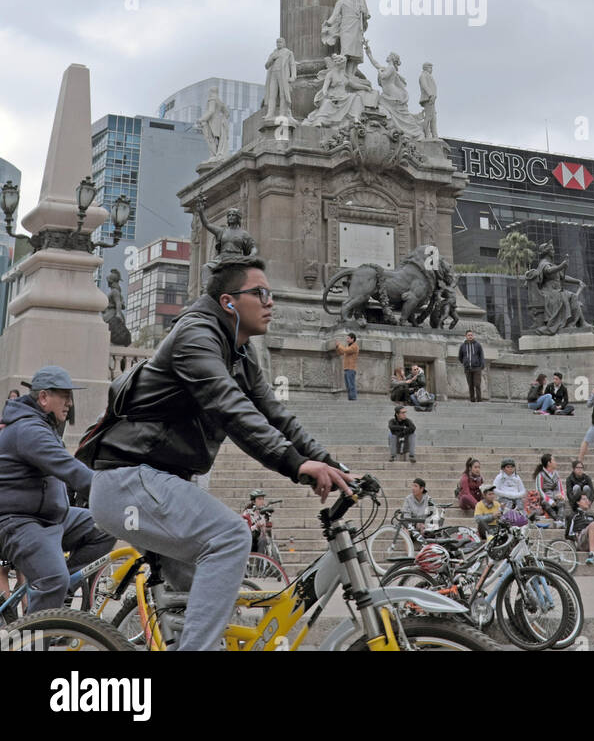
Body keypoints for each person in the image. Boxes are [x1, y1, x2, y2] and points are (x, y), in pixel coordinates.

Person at [86, 258, 353, 653]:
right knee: (230, 535)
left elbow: (276, 416)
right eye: (260, 293)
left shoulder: (240, 356)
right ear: (229, 302)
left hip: (158, 485)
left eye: (272, 294)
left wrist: (332, 464)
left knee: (211, 609)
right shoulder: (196, 337)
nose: (270, 302)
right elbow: (230, 408)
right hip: (130, 481)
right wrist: (295, 465)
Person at [0, 368, 115, 613]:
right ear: (43, 398)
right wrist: (119, 492)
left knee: (104, 526)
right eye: (64, 396)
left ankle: (63, 594)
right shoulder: (29, 430)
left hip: (51, 518)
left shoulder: (44, 425)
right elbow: (71, 470)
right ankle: (34, 642)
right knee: (53, 579)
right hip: (20, 522)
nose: (70, 403)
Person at [533, 453, 567, 523]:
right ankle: (557, 519)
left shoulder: (556, 474)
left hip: (556, 497)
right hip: (545, 499)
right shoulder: (540, 475)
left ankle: (559, 520)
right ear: (549, 463)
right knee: (546, 504)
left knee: (562, 503)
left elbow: (560, 487)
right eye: (554, 460)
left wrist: (562, 496)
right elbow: (539, 490)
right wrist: (550, 500)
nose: (555, 462)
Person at [568, 493, 594, 564]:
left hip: (592, 540)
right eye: (584, 499)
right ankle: (591, 554)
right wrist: (575, 536)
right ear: (578, 502)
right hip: (581, 541)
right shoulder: (573, 516)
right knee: (593, 525)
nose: (587, 501)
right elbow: (568, 534)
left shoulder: (592, 515)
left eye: (587, 499)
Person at [457, 330, 485, 403]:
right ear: (466, 336)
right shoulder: (462, 346)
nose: (470, 336)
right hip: (467, 368)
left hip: (477, 368)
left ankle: (479, 400)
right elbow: (460, 357)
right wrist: (465, 363)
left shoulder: (478, 345)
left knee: (477, 384)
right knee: (470, 385)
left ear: (473, 336)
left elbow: (481, 355)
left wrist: (481, 365)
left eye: (471, 335)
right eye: (468, 335)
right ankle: (472, 400)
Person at [335, 332, 359, 401]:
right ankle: (350, 398)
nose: (347, 340)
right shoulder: (349, 346)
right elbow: (341, 352)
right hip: (346, 368)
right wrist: (337, 347)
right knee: (348, 385)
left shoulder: (354, 346)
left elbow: (345, 350)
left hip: (351, 368)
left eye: (348, 338)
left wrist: (339, 345)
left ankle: (353, 398)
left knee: (351, 385)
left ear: (352, 339)